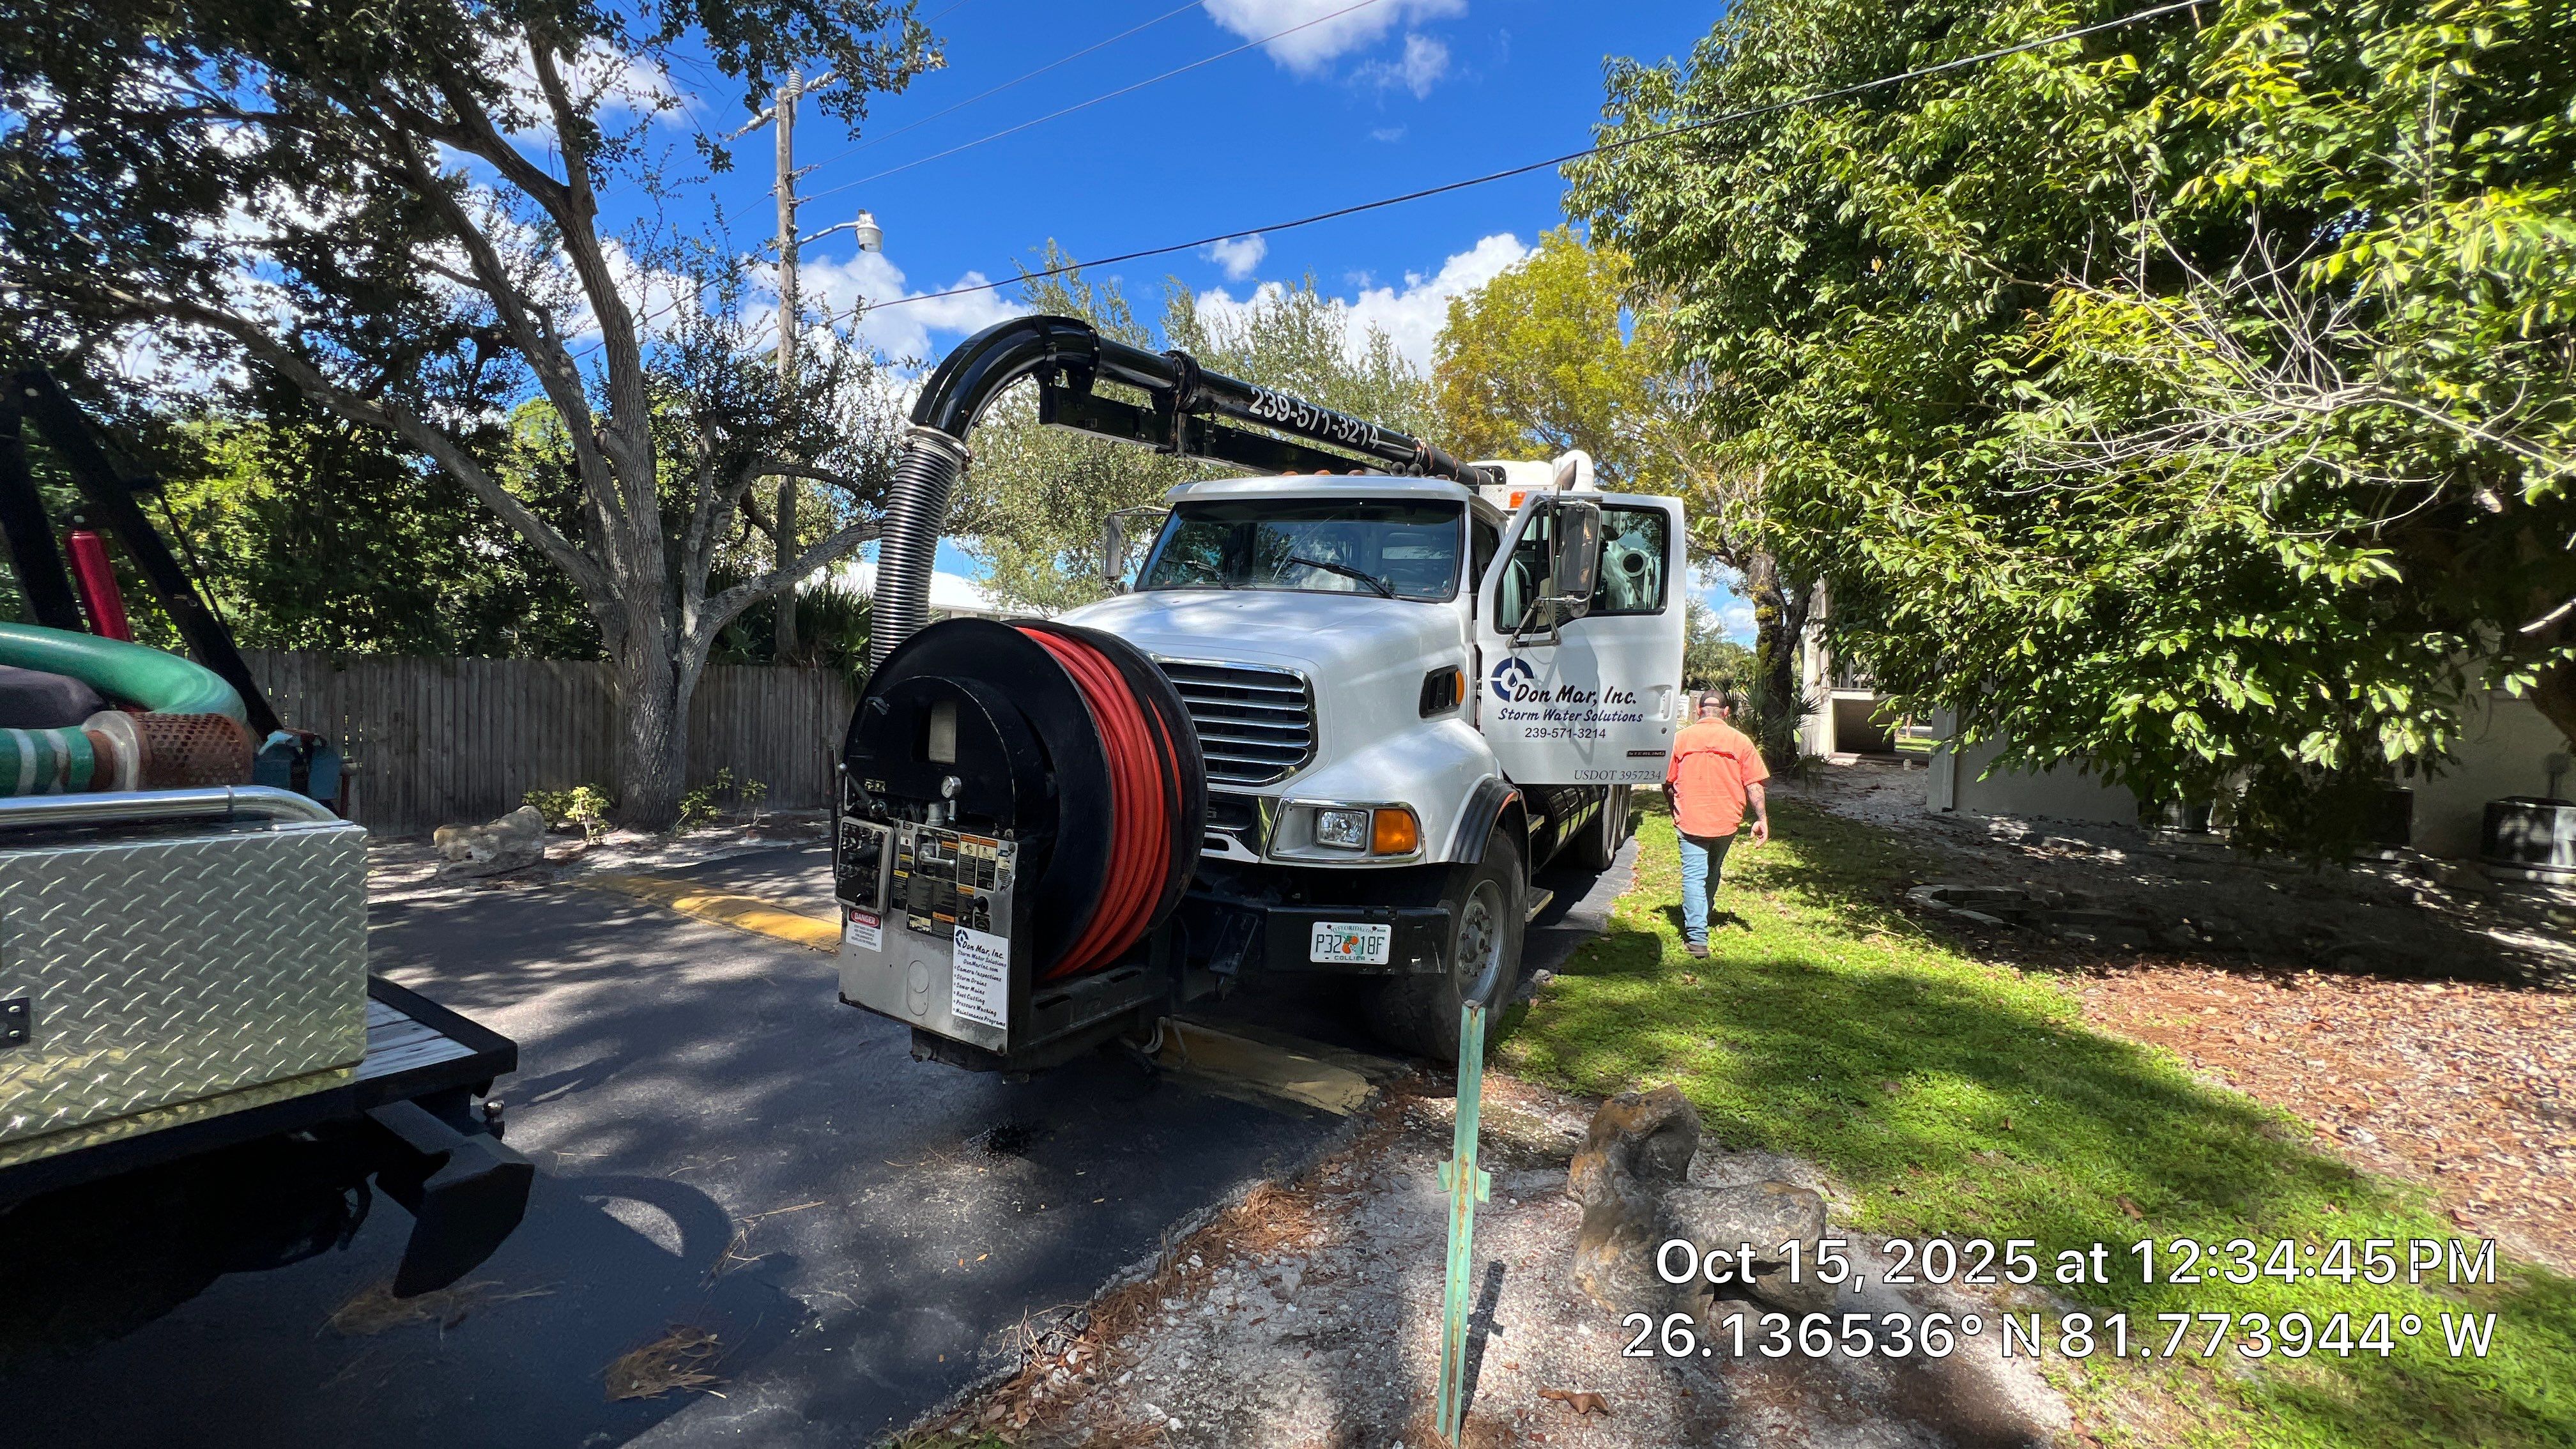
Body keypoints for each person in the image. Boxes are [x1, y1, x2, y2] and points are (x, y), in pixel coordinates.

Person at [1662, 690, 1771, 958]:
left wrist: (1673, 809)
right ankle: (1702, 915)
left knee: (1693, 875)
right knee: (1713, 869)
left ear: (1699, 711)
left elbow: (1667, 783)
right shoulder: (1741, 741)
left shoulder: (1680, 739)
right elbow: (1754, 785)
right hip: (1727, 820)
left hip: (1690, 818)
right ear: (1726, 712)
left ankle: (1697, 937)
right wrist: (1762, 819)